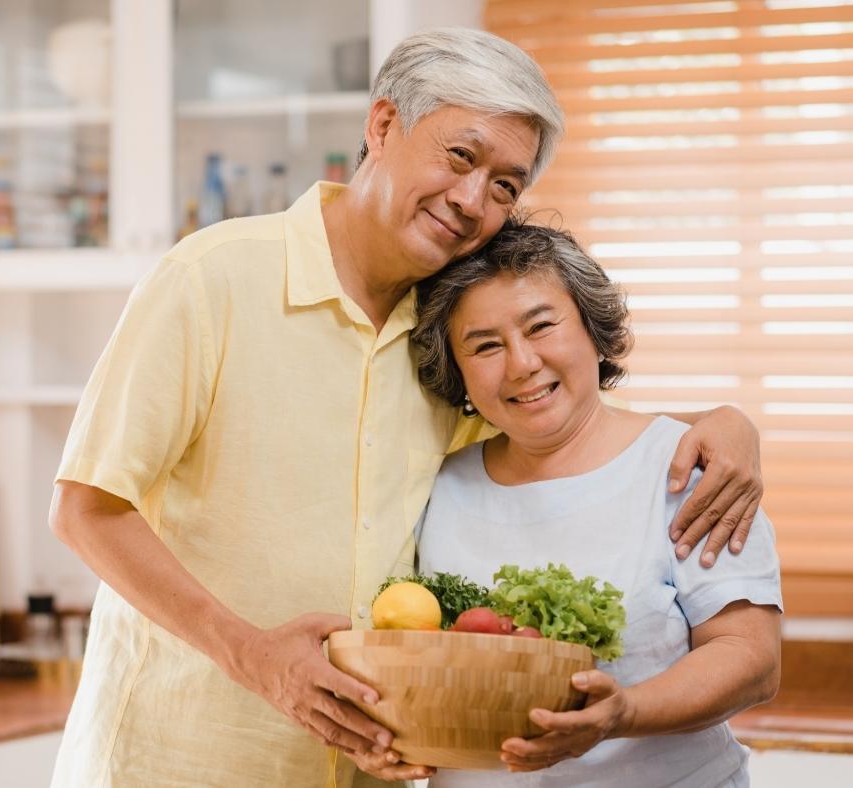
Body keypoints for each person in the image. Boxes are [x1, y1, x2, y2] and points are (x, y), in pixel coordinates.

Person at [48, 29, 764, 788]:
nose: (471, 201)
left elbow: (562, 416)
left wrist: (722, 424)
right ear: (383, 126)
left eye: (505, 186)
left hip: (364, 770)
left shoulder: (452, 336)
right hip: (181, 761)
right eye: (461, 157)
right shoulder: (211, 280)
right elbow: (87, 510)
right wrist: (254, 655)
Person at [370, 222, 780, 786]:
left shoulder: (689, 466)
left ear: (592, 328)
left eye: (541, 326)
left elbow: (750, 658)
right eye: (485, 345)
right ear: (457, 372)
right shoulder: (438, 484)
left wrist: (623, 713)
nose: (521, 364)